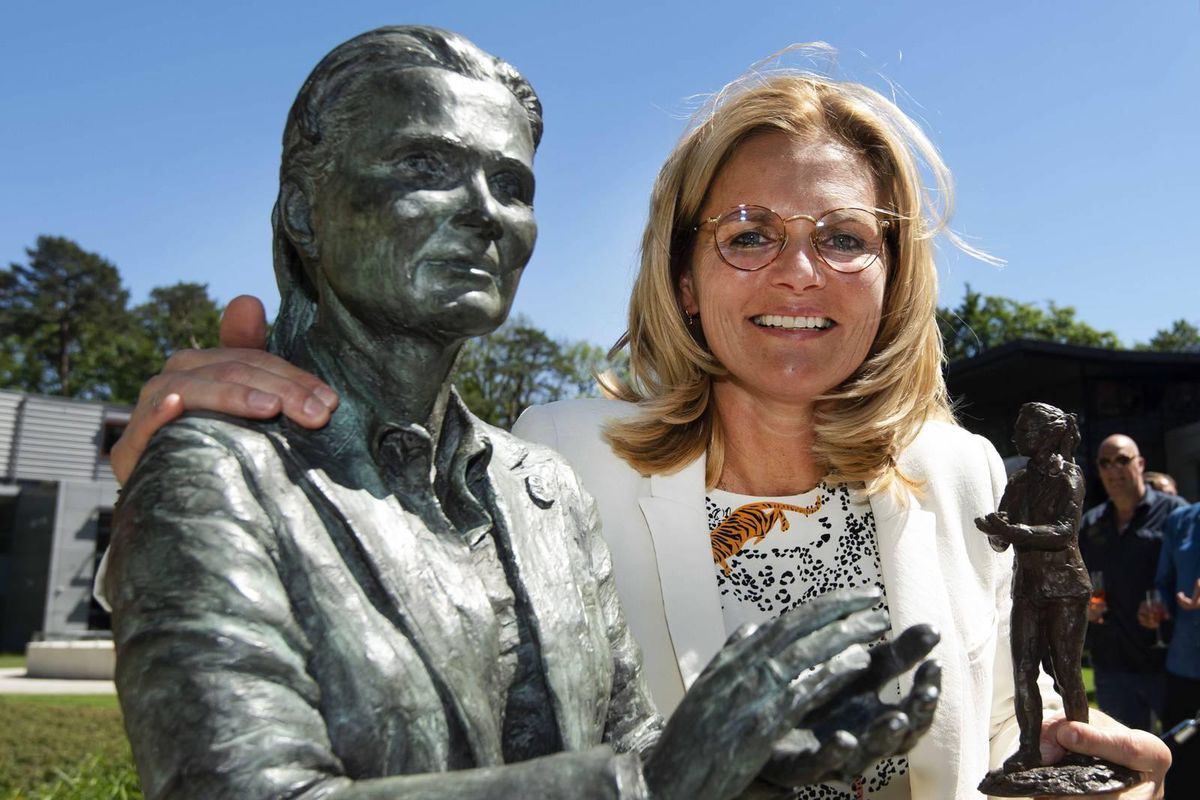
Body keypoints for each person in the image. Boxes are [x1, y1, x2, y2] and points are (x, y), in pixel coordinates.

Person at [109, 58, 1172, 798]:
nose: (799, 273)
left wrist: (1092, 778)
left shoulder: (963, 472)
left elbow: (1000, 737)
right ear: (684, 271)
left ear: (893, 280)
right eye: (750, 232)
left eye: (846, 237)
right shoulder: (559, 459)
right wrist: (217, 466)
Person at [975, 404, 1090, 772]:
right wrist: (996, 528)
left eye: (1024, 431)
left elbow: (1064, 532)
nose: (1016, 438)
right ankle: (1029, 749)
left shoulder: (1068, 477)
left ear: (1045, 436)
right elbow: (1001, 542)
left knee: (1066, 670)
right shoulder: (1019, 482)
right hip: (1028, 589)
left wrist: (1014, 531)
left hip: (1065, 588)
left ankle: (1082, 746)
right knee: (1023, 669)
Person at [1080, 434, 1187, 731]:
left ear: (1140, 463)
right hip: (1112, 663)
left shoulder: (1175, 512)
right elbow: (1080, 579)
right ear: (1099, 470)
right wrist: (1085, 605)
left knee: (1181, 753)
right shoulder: (1091, 523)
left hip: (1166, 660)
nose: (1114, 470)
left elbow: (1191, 574)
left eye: (1122, 460)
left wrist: (1167, 604)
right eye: (1105, 463)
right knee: (1125, 757)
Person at [1140, 501, 1200, 796]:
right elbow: (1164, 582)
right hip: (1184, 665)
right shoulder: (1182, 521)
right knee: (1181, 771)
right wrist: (1159, 607)